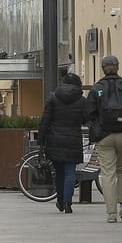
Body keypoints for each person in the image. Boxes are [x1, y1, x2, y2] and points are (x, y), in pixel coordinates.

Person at [88, 54, 122, 223]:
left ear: (103, 68)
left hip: (104, 137)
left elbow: (89, 113)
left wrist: (97, 131)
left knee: (108, 173)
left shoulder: (96, 89)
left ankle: (111, 213)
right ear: (118, 67)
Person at [38, 72, 90, 213]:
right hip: (73, 139)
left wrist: (41, 139)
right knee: (70, 172)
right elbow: (86, 119)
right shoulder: (82, 101)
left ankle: (60, 201)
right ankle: (68, 202)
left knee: (59, 172)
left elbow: (45, 121)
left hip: (55, 139)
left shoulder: (53, 98)